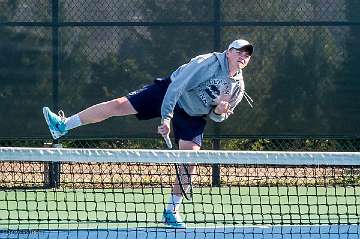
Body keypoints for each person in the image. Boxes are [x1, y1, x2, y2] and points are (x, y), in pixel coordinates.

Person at [42, 39, 254, 228]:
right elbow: (177, 87)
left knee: (190, 162)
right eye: (239, 52)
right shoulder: (206, 63)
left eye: (247, 54)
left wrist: (218, 112)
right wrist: (166, 117)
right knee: (118, 105)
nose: (243, 56)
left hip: (192, 115)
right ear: (228, 52)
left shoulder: (238, 87)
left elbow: (217, 117)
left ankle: (171, 211)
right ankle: (63, 125)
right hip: (170, 94)